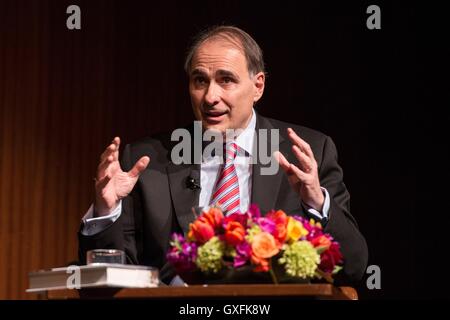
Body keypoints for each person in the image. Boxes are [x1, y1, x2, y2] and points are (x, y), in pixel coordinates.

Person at [78, 25, 368, 284]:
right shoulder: (145, 161)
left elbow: (353, 267)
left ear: (258, 86)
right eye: (200, 81)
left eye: (226, 80)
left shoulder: (308, 152)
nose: (210, 97)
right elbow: (109, 277)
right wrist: (106, 212)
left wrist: (316, 202)